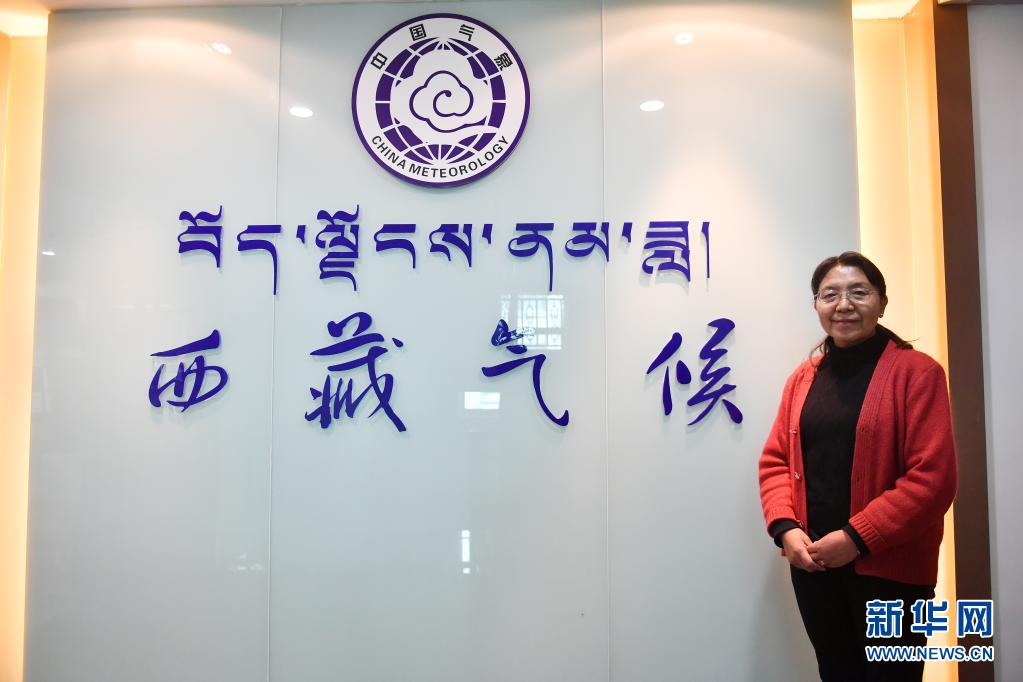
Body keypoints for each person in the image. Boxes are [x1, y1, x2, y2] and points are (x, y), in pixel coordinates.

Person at [758, 251, 957, 682]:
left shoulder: (918, 374)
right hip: (815, 567)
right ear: (816, 305)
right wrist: (786, 529)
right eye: (829, 294)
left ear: (882, 302)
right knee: (835, 673)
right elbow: (775, 460)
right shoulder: (803, 378)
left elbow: (933, 479)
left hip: (891, 573)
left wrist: (855, 538)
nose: (843, 305)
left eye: (858, 292)